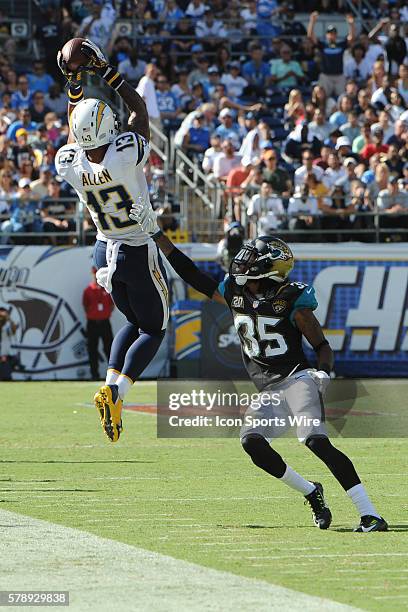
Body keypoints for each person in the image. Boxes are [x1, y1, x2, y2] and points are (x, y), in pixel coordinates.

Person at [130, 204, 388, 533]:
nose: (244, 261)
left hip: (297, 380)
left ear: (270, 270)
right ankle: (311, 492)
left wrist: (323, 372)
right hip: (267, 389)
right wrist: (156, 235)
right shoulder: (235, 291)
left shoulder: (292, 300)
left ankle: (369, 513)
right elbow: (193, 274)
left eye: (254, 259)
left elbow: (321, 345)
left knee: (315, 441)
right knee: (251, 442)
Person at [55, 39, 169, 443]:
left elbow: (74, 120)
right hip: (136, 247)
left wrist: (74, 81)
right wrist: (105, 73)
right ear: (108, 127)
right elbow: (138, 109)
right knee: (153, 329)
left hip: (103, 248)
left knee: (132, 323)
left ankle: (109, 386)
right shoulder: (125, 153)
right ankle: (118, 392)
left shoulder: (69, 162)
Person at [307, 12, 356, 98]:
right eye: (329, 33)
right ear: (326, 35)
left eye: (333, 33)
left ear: (336, 35)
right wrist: (312, 22)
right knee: (322, 97)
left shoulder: (341, 45)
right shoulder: (323, 45)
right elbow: (310, 36)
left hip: (339, 76)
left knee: (343, 98)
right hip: (326, 76)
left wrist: (351, 24)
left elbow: (351, 38)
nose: (331, 35)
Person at [83, 267, 114, 380]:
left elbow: (112, 305)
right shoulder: (88, 290)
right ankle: (94, 374)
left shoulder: (107, 290)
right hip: (92, 323)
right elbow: (86, 306)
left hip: (105, 322)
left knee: (109, 349)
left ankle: (113, 374)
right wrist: (94, 314)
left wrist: (104, 314)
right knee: (92, 349)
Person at [0, 305, 17, 381]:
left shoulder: (7, 325)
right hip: (2, 353)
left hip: (6, 353)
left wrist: (9, 319)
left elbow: (13, 331)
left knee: (10, 362)